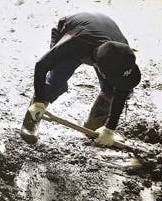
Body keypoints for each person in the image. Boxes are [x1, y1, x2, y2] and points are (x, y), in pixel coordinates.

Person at [21, 12, 141, 146]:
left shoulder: (122, 53)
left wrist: (110, 128)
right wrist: (38, 100)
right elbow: (41, 65)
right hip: (73, 32)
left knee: (114, 89)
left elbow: (123, 87)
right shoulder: (73, 43)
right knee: (56, 79)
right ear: (99, 67)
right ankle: (33, 117)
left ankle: (95, 127)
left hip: (101, 36)